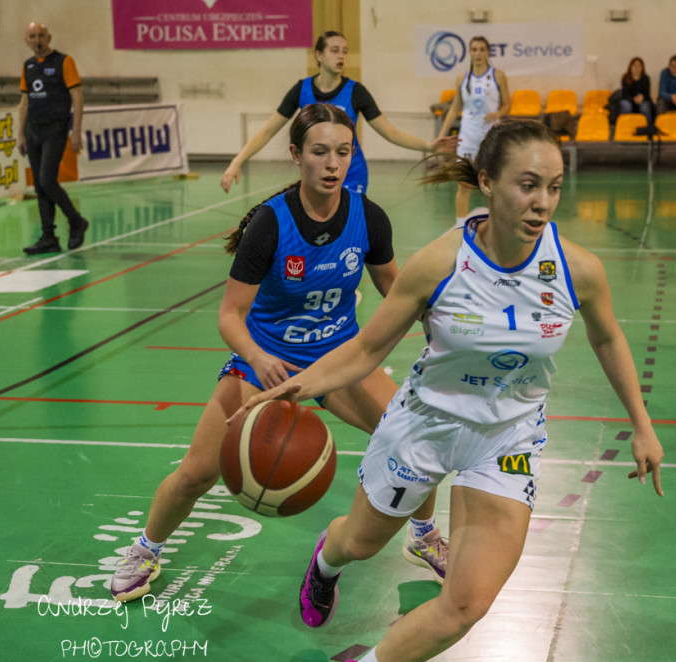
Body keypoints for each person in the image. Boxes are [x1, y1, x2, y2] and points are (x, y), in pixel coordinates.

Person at [229, 119, 665, 662]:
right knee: (359, 543)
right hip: (424, 425)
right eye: (527, 185)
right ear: (487, 180)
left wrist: (642, 424)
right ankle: (327, 559)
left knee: (466, 603)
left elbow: (607, 337)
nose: (542, 203)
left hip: (507, 437)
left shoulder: (577, 269)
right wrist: (302, 383)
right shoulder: (439, 263)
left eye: (554, 187)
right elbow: (366, 348)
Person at [110, 104, 448, 603]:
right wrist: (257, 356)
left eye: (343, 152)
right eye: (319, 152)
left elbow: (396, 289)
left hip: (338, 358)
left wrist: (436, 324)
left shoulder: (368, 217)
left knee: (412, 436)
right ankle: (145, 547)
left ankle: (422, 535)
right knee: (199, 471)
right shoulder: (270, 225)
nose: (333, 164)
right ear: (296, 155)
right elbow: (230, 315)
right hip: (264, 358)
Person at [220, 31, 454, 195]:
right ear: (319, 55)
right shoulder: (301, 90)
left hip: (352, 174)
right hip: (314, 174)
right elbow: (268, 130)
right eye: (334, 50)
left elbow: (390, 132)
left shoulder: (356, 92)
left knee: (346, 229)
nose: (341, 56)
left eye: (344, 51)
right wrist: (237, 161)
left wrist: (429, 146)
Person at [18, 21, 88, 255]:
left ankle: (76, 220)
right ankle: (49, 236)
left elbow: (77, 96)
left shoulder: (64, 62)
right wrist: (20, 133)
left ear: (49, 37)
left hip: (55, 129)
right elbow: (25, 101)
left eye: (41, 35)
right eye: (32, 36)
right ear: (26, 40)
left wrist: (75, 130)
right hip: (33, 129)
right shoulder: (28, 66)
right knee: (39, 186)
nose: (37, 40)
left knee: (48, 180)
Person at [437, 35, 510, 227]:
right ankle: (460, 225)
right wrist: (442, 135)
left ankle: (497, 224)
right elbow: (455, 107)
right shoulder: (462, 78)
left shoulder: (498, 75)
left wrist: (497, 113)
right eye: (474, 49)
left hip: (490, 135)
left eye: (481, 49)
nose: (478, 53)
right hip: (468, 135)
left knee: (494, 182)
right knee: (464, 183)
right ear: (470, 52)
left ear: (487, 52)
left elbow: (507, 105)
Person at [619, 57, 653, 126]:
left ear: (642, 67)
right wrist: (634, 99)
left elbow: (647, 95)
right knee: (626, 106)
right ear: (630, 67)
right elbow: (625, 95)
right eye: (634, 65)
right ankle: (623, 125)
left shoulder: (646, 78)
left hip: (642, 101)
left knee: (645, 107)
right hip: (629, 101)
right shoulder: (625, 78)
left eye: (639, 65)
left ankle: (648, 127)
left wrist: (642, 97)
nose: (637, 68)